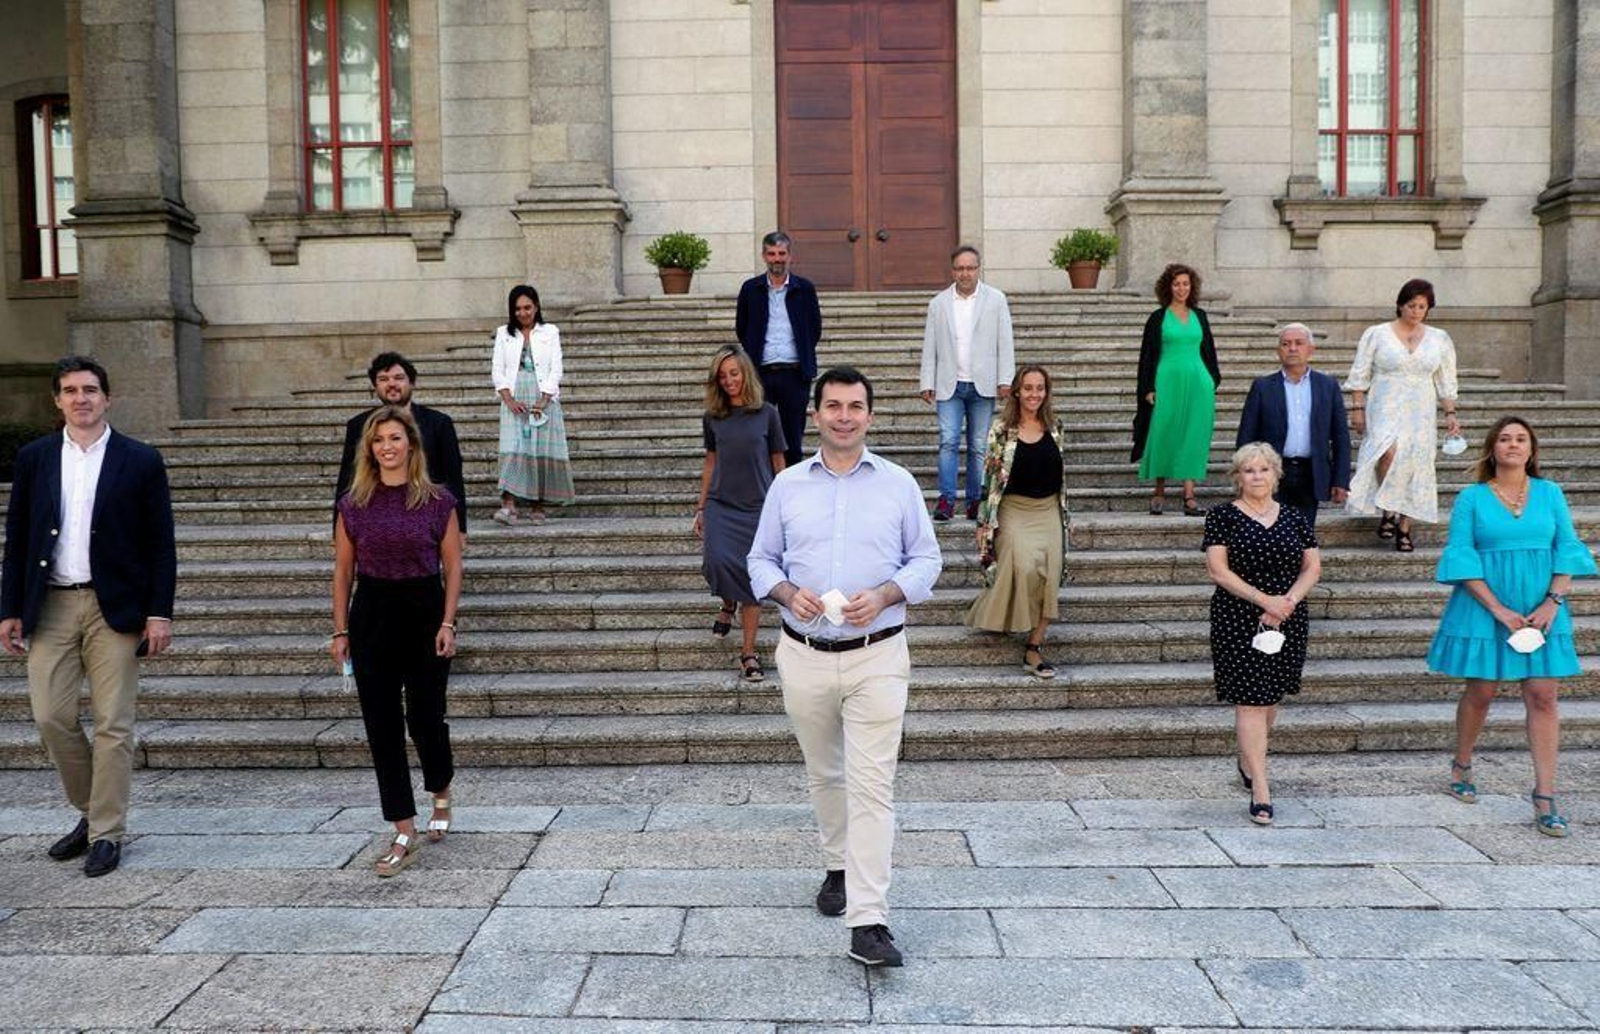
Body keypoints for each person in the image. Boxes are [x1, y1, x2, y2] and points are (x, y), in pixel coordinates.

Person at [747, 366, 942, 968]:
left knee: (873, 784)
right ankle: (837, 864)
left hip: (877, 655)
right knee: (825, 772)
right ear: (815, 413)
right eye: (833, 405)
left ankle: (870, 920)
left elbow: (926, 559)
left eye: (855, 406)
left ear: (870, 416)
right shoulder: (787, 486)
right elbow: (760, 558)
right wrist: (784, 592)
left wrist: (885, 594)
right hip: (802, 654)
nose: (844, 416)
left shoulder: (899, 484)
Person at [0, 356, 176, 877]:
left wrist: (158, 613)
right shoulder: (34, 459)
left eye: (91, 389)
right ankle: (90, 811)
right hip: (50, 604)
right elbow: (18, 539)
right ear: (57, 400)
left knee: (113, 724)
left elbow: (160, 545)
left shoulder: (140, 459)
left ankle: (107, 833)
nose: (81, 398)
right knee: (50, 717)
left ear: (107, 398)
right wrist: (9, 608)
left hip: (114, 607)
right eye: (71, 391)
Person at [1427, 416, 1596, 838]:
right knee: (1481, 691)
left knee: (1543, 695)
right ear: (1492, 448)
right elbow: (1462, 554)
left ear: (1532, 449)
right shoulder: (1472, 497)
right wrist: (1498, 609)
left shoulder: (1550, 493)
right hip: (1484, 605)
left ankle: (1545, 795)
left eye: (1521, 439)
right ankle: (1462, 762)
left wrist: (1553, 602)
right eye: (1505, 439)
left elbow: (1568, 548)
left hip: (1543, 607)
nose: (1513, 445)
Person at [332, 406, 464, 876]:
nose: (387, 446)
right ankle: (402, 827)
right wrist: (341, 629)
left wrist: (448, 623)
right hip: (372, 615)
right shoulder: (353, 504)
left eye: (394, 437)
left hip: (424, 611)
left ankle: (441, 792)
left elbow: (453, 568)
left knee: (426, 718)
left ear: (410, 443)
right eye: (378, 440)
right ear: (369, 450)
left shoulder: (438, 501)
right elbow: (344, 571)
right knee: (381, 726)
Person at [1203, 443, 1321, 826]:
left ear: (1276, 474)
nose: (1256, 476)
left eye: (1263, 469)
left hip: (1288, 616)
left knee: (1271, 698)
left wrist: (1286, 602)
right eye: (1248, 471)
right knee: (1251, 700)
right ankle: (1261, 787)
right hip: (1238, 616)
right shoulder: (1222, 516)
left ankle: (1247, 757)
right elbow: (1218, 571)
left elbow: (1312, 567)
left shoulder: (1295, 517)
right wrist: (1263, 600)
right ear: (1238, 477)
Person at [1344, 278, 1460, 553]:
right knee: (1388, 454)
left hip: (1420, 407)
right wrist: (1357, 408)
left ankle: (1403, 526)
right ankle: (1389, 506)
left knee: (1416, 463)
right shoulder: (1377, 334)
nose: (1416, 311)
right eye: (1411, 305)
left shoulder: (1439, 338)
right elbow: (1360, 373)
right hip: (1385, 402)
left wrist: (1451, 414)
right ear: (1400, 305)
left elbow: (1446, 379)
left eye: (1422, 306)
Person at [968, 365, 1069, 679]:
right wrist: (984, 523)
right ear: (1016, 391)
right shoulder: (1002, 429)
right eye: (1028, 388)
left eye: (1040, 388)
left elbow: (1061, 476)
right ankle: (1003, 611)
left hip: (1049, 509)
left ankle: (1033, 648)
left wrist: (1066, 516)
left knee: (1050, 574)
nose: (1034, 394)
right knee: (1025, 566)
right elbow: (988, 477)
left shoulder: (1056, 426)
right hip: (1014, 508)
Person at [694, 346, 787, 682]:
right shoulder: (713, 416)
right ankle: (727, 602)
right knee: (716, 561)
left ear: (745, 373)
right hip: (721, 503)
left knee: (751, 578)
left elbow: (779, 462)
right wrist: (701, 506)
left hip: (757, 507)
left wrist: (785, 506)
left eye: (734, 373)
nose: (729, 380)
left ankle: (747, 653)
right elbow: (710, 461)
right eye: (722, 376)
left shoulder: (766, 413)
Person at [920, 245, 1016, 522]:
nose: (965, 273)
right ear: (953, 271)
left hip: (982, 384)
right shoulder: (938, 303)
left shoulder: (996, 300)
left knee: (978, 446)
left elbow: (1004, 342)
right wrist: (927, 380)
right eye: (960, 268)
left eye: (970, 268)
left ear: (978, 269)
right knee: (948, 441)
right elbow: (930, 345)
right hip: (950, 384)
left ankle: (975, 501)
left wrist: (1005, 379)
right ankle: (946, 501)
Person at [333, 351, 467, 534]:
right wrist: (337, 529)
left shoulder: (439, 423)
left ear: (411, 383)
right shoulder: (358, 425)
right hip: (375, 516)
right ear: (375, 386)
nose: (392, 384)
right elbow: (347, 478)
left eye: (398, 377)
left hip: (428, 514)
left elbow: (453, 478)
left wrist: (460, 528)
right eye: (383, 379)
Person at [1235, 323, 1352, 528]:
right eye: (1286, 344)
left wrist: (1340, 480)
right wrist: (1244, 475)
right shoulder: (1263, 386)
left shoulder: (1327, 386)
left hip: (1312, 471)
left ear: (1311, 349)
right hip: (1271, 471)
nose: (1292, 348)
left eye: (1299, 343)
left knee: (1303, 535)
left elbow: (1341, 436)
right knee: (1269, 532)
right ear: (1278, 350)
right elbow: (1247, 435)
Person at [1132, 263, 1222, 517]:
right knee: (1164, 432)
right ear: (1168, 287)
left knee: (1193, 435)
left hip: (1198, 383)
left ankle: (1189, 496)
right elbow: (1147, 356)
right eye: (1176, 284)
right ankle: (1159, 492)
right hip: (1166, 380)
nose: (1181, 288)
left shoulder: (1200, 316)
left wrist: (1212, 380)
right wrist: (1147, 387)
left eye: (1185, 284)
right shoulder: (1157, 318)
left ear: (1191, 287)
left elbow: (1209, 351)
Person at [735, 231, 823, 468]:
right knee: (759, 435)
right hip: (760, 374)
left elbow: (814, 328)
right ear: (764, 256)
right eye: (772, 254)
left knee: (792, 438)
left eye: (782, 253)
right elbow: (741, 328)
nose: (777, 259)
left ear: (790, 256)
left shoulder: (804, 289)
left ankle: (791, 488)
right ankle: (764, 490)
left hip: (795, 374)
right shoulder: (750, 289)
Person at [492, 284, 575, 524]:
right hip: (513, 398)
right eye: (517, 309)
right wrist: (508, 399)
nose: (523, 313)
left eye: (527, 307)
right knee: (513, 449)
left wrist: (544, 399)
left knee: (539, 450)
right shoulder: (504, 333)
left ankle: (537, 506)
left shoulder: (549, 332)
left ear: (536, 307)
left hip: (543, 398)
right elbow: (498, 369)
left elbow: (556, 367)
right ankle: (508, 505)